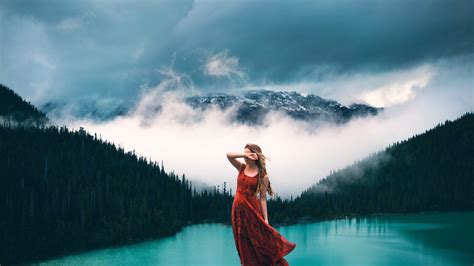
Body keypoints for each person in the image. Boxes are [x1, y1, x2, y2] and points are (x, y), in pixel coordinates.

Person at [226, 143, 296, 266]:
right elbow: (229, 155)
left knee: (259, 240)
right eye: (245, 154)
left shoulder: (263, 176)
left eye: (248, 154)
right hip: (237, 210)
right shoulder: (242, 167)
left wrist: (266, 219)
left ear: (255, 156)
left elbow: (263, 198)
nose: (245, 157)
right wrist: (245, 154)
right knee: (242, 241)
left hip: (252, 209)